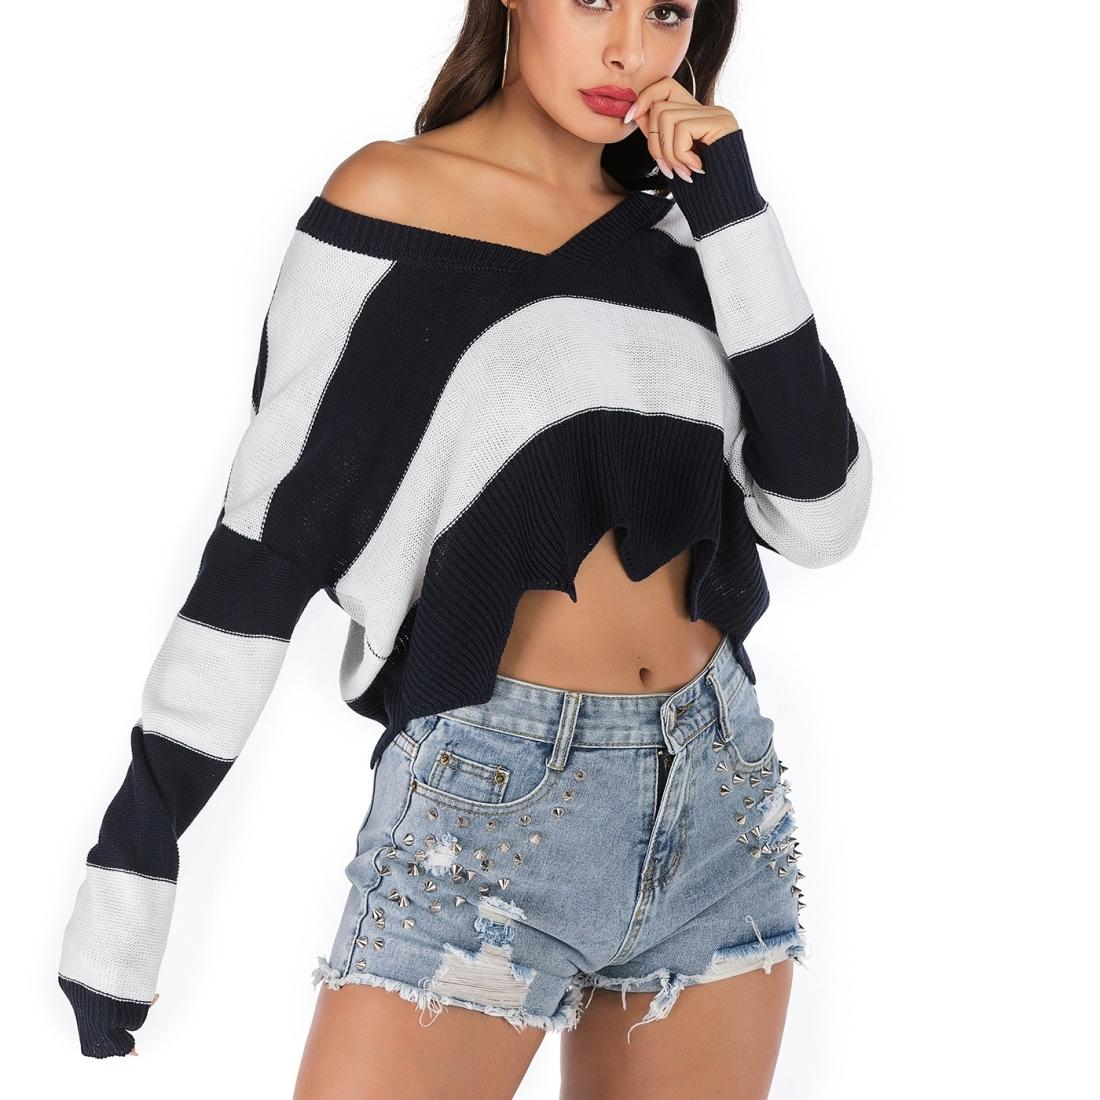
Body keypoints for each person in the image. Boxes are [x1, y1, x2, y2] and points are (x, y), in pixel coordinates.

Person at [58, 1, 872, 1096]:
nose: (630, 50)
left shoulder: (690, 241)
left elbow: (821, 512)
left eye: (667, 11)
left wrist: (730, 208)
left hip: (718, 797)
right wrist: (132, 869)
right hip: (489, 807)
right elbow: (264, 545)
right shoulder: (387, 202)